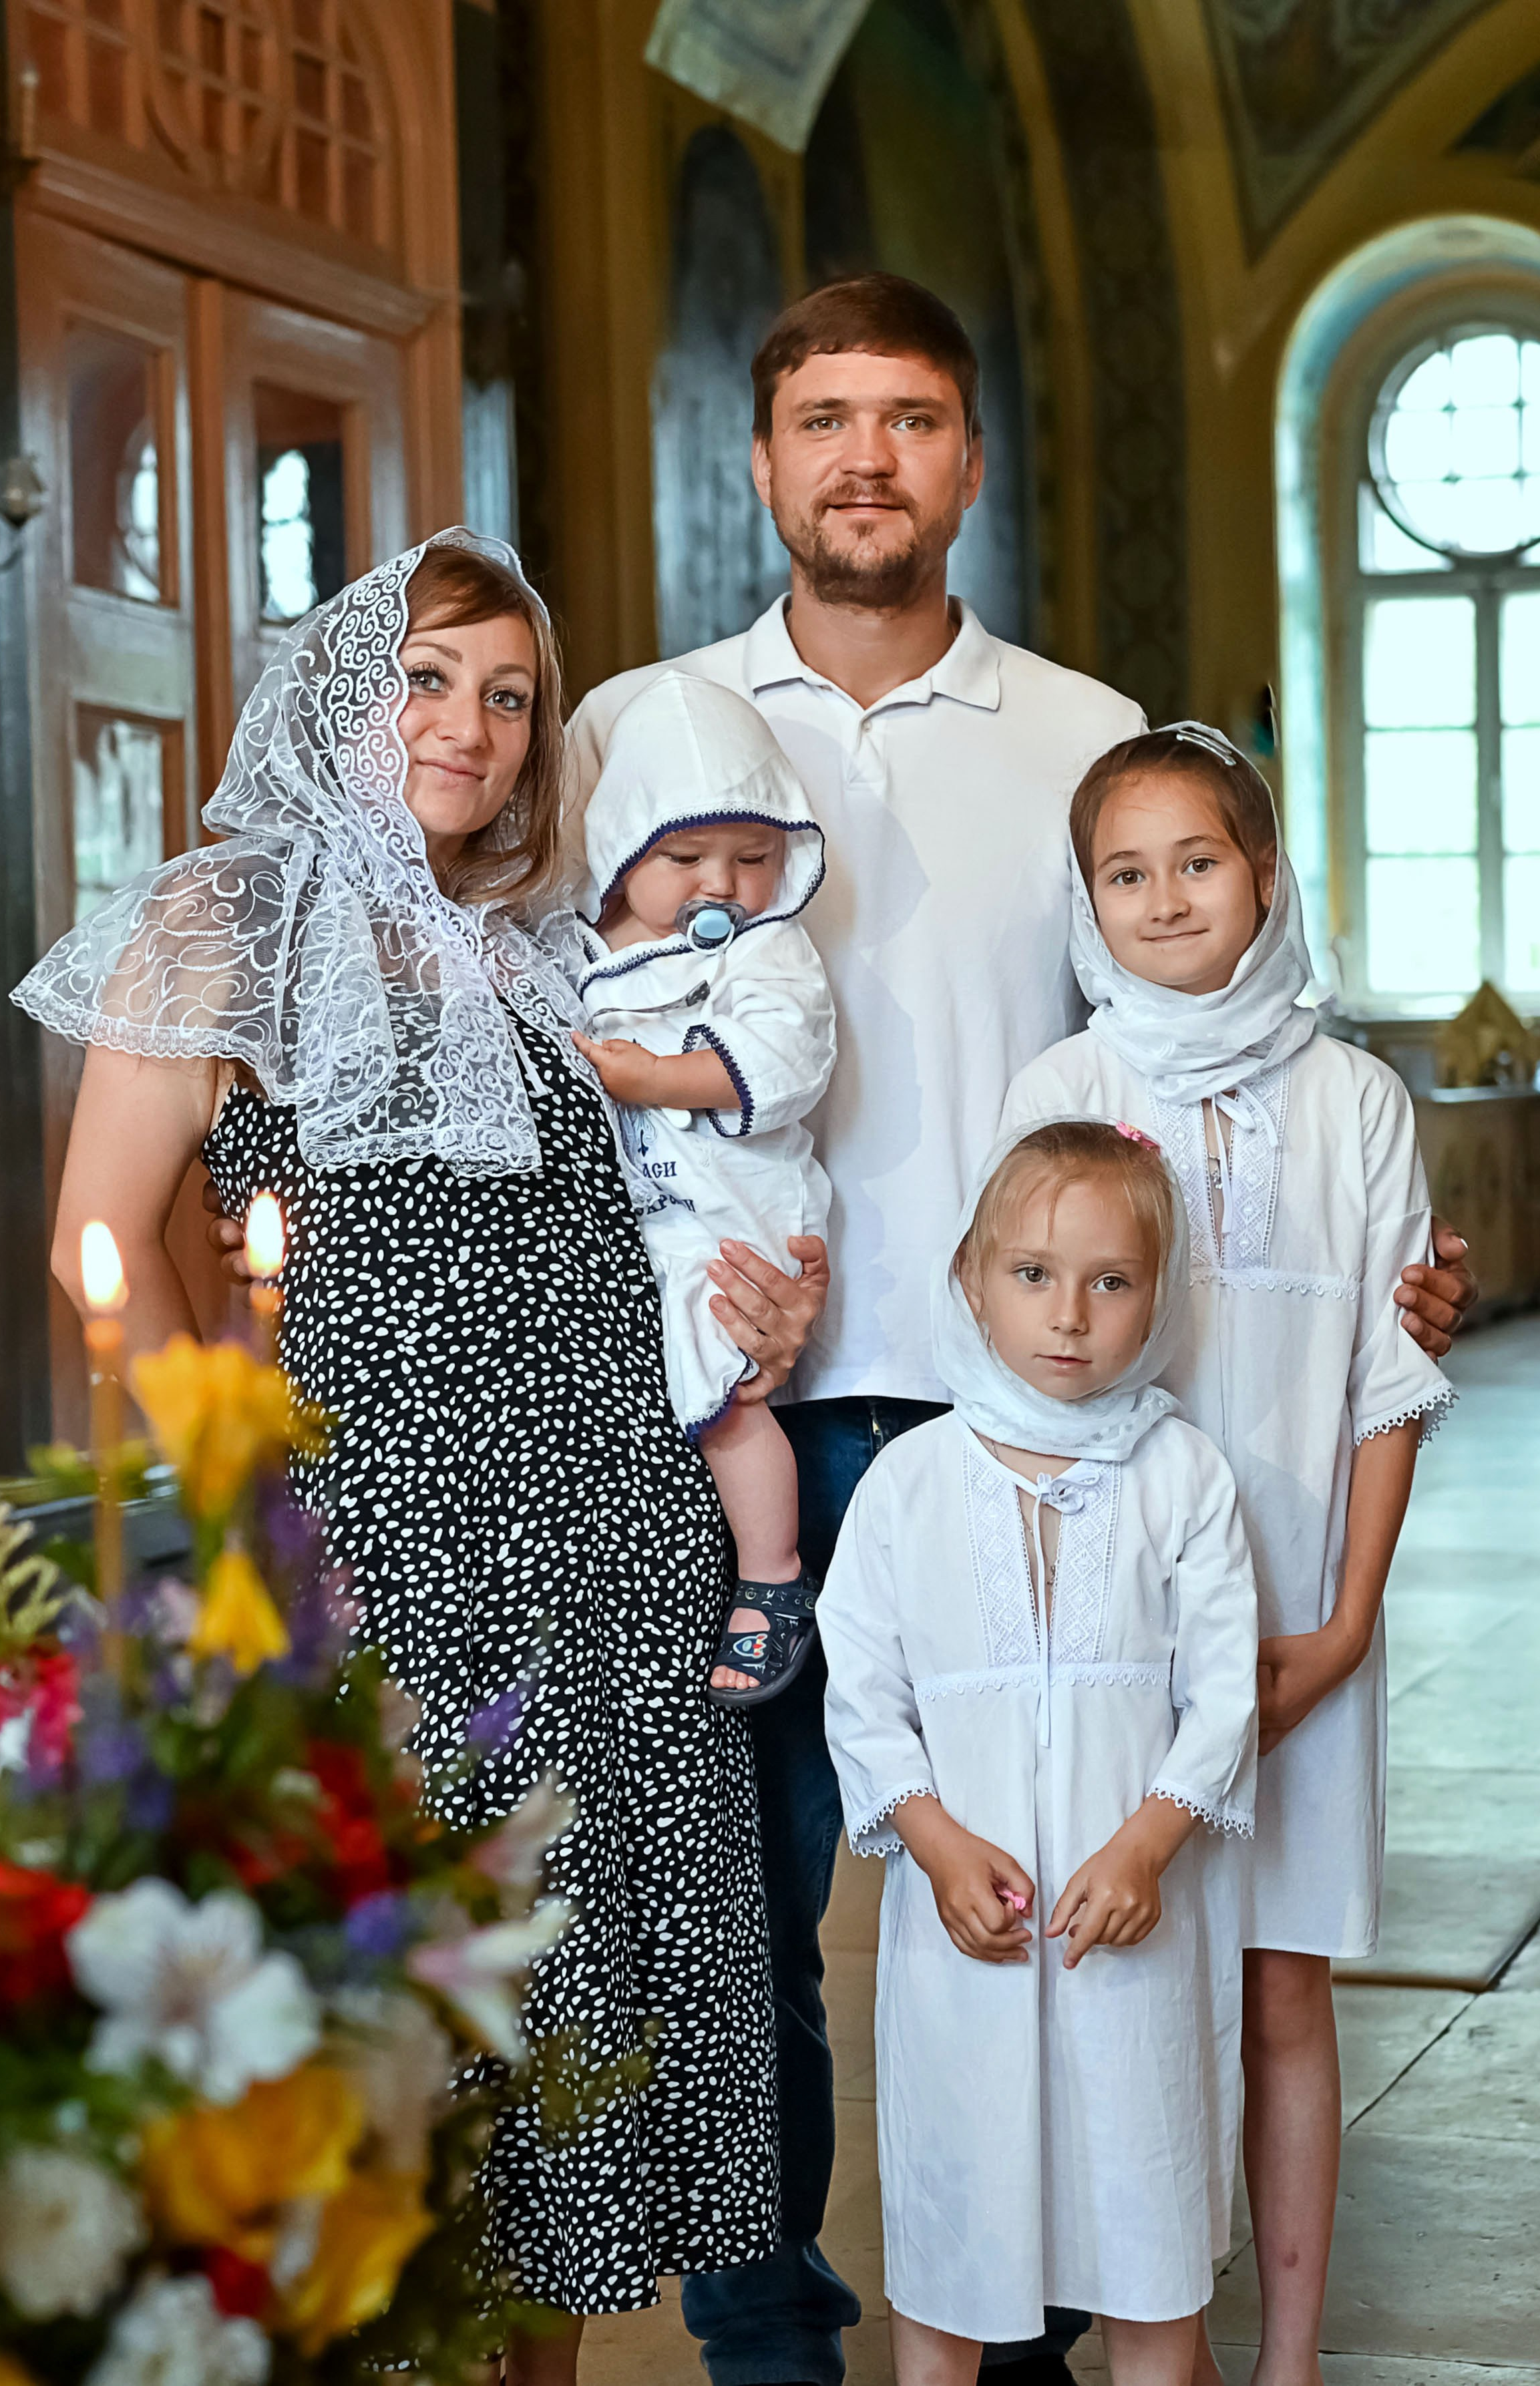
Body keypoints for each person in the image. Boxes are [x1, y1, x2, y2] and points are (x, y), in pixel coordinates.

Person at [564, 273, 1477, 2386]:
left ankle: (1046, 2322)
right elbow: (571, 1039)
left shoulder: (1081, 729)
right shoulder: (644, 723)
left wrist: (1382, 1272)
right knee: (743, 1920)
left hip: (1048, 1415)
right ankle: (775, 2336)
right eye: (821, 419)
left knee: (1068, 1910)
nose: (862, 457)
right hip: (745, 1412)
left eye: (907, 418)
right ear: (762, 455)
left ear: (967, 460)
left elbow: (1190, 1074)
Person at [13, 530, 781, 2385]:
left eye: (509, 695)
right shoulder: (214, 919)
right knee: (402, 2085)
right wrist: (252, 1496)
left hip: (605, 1542)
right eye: (428, 676)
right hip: (382, 1558)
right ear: (338, 688)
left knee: (566, 2095)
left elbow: (608, 1236)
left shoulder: (522, 955)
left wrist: (740, 1295)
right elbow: (96, 1245)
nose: (471, 724)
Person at [999, 725, 1455, 2385]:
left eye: (1200, 860)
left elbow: (1388, 1382)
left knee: (1278, 1989)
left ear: (1265, 874)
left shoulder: (1353, 1100)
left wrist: (1338, 1629)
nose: (1167, 896)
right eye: (1127, 872)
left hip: (1300, 1619)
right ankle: (1153, 2337)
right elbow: (1015, 1364)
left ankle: (1291, 2355)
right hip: (1124, 1629)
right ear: (1085, 900)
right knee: (1128, 1996)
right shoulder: (1068, 1092)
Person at [819, 1119, 1260, 2386]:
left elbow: (1222, 1693)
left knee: (1149, 2241)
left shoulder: (1181, 1474)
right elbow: (864, 1692)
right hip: (965, 1934)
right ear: (970, 1277)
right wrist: (934, 1837)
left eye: (1109, 1281)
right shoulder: (907, 1482)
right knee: (954, 2246)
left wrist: (1148, 1840)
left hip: (1137, 1931)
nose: (1068, 1315)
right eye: (1031, 1274)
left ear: (1156, 1298)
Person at [569, 672, 836, 1705]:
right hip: (656, 1216)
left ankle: (772, 1577)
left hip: (736, 1220)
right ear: (623, 853)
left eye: (753, 858)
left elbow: (776, 1062)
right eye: (683, 858)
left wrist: (645, 1075)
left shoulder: (772, 955)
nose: (720, 883)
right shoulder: (596, 957)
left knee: (726, 1405)